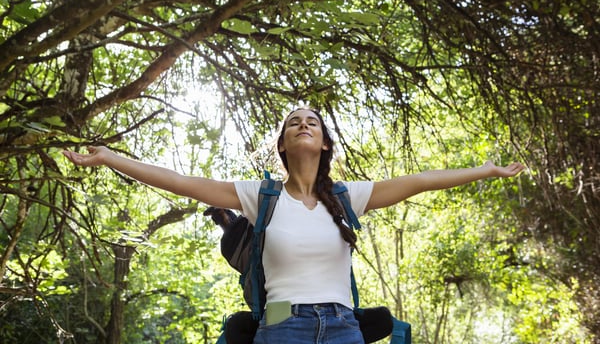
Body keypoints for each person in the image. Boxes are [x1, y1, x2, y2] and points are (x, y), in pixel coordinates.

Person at [62, 107, 525, 344]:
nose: (303, 126)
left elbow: (421, 181)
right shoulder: (258, 196)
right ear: (284, 144)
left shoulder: (348, 198)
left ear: (324, 144)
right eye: (293, 123)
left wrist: (485, 170)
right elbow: (182, 182)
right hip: (284, 321)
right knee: (279, 321)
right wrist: (108, 158)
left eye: (313, 123)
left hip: (343, 323)